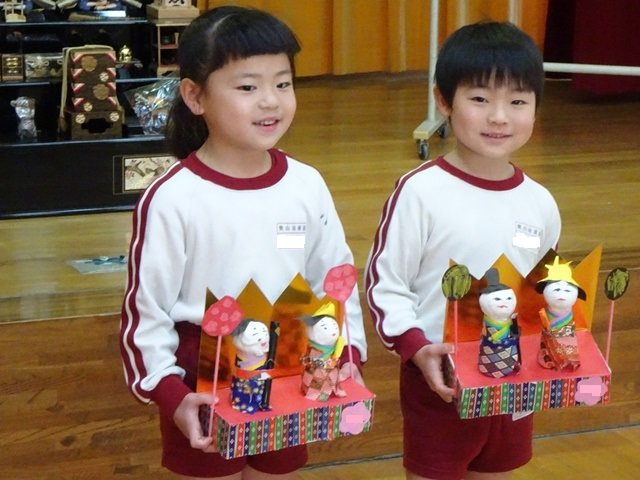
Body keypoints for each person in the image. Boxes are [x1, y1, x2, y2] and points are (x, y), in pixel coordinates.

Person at [119, 6, 367, 479]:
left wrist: (346, 356)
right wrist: (172, 393)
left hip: (293, 364)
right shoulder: (173, 198)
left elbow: (334, 280)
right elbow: (145, 315)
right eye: (248, 87)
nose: (271, 101)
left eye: (283, 83)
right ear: (195, 95)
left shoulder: (307, 184)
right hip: (202, 377)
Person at [365, 21, 561, 480]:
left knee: (499, 470)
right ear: (443, 101)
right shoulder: (420, 192)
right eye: (479, 99)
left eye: (517, 101)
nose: (499, 117)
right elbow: (385, 285)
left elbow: (545, 291)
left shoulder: (541, 202)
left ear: (536, 107)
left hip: (513, 378)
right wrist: (416, 348)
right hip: (441, 378)